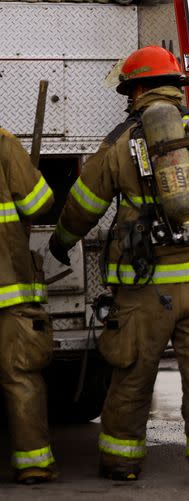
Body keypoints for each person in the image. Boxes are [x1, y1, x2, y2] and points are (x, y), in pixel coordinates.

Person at [48, 46, 189, 486]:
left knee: (132, 373)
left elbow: (85, 203)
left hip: (143, 289)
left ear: (138, 88)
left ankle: (121, 464)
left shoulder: (121, 142)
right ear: (175, 87)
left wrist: (62, 240)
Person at [0, 127, 56, 485]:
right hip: (8, 287)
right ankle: (34, 463)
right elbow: (38, 204)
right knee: (19, 374)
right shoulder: (3, 143)